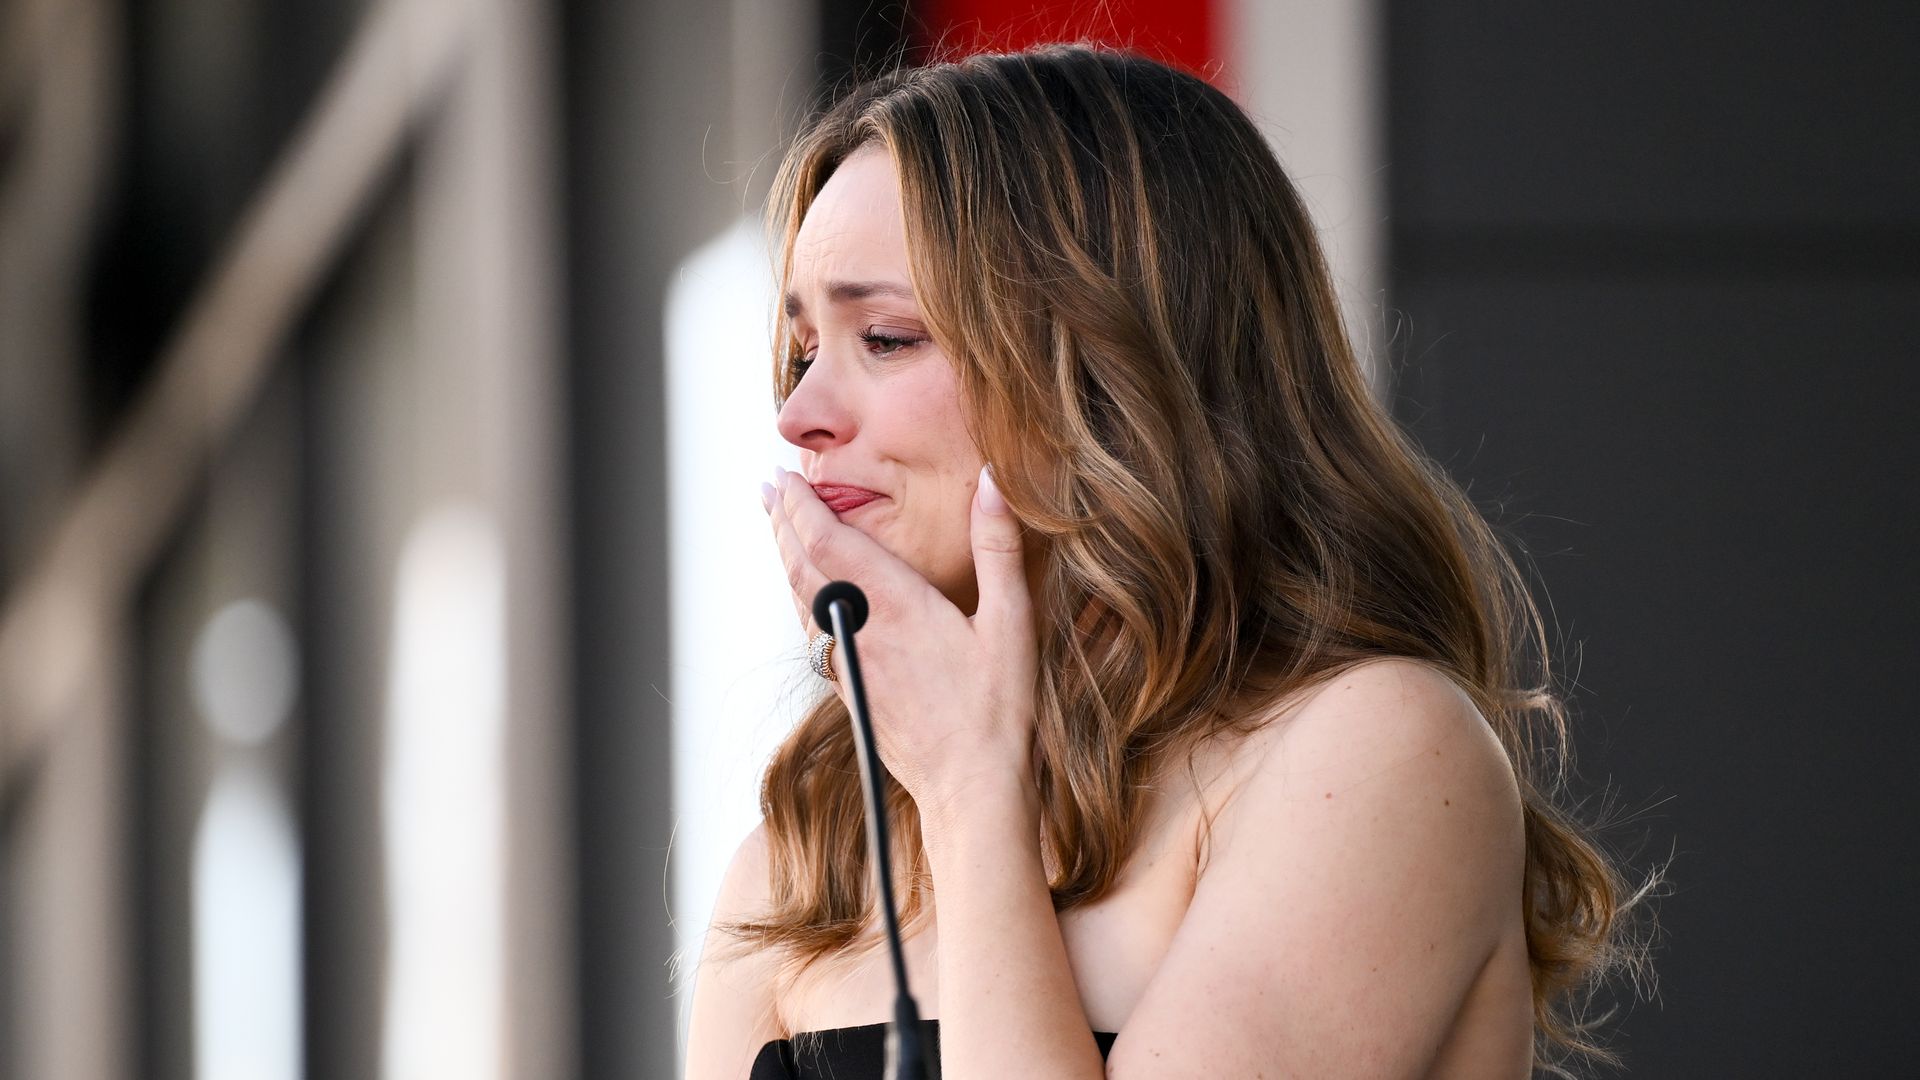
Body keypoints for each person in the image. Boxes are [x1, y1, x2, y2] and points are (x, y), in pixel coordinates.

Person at [685, 43, 1646, 1080]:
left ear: (1106, 369)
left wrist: (972, 796)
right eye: (799, 353)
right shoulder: (807, 856)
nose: (799, 415)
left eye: (885, 337)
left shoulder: (1370, 753)